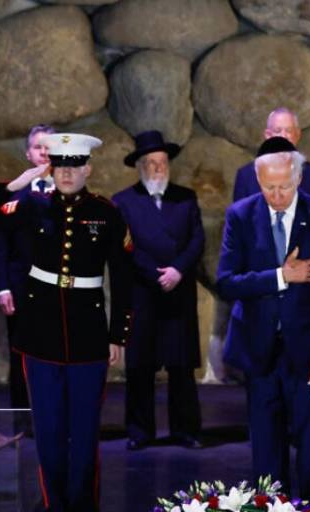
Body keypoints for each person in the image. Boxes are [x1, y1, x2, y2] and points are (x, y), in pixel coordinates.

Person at [0, 133, 133, 512]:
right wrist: (18, 182)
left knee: (83, 434)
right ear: (51, 168)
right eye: (60, 166)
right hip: (39, 335)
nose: (67, 173)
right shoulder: (30, 207)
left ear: (88, 168)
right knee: (50, 432)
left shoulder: (106, 213)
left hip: (88, 337)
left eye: (75, 165)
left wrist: (118, 334)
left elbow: (124, 278)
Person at [217, 136, 310, 508]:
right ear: (258, 182)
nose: (277, 195)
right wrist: (280, 276)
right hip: (259, 353)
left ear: (299, 179)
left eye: (285, 187)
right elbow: (226, 282)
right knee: (266, 454)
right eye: (269, 188)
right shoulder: (241, 216)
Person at [113, 130, 204, 450]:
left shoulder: (186, 197)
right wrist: (155, 273)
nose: (157, 168)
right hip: (143, 293)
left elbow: (197, 240)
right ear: (139, 166)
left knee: (181, 368)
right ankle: (139, 432)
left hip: (178, 293)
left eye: (162, 162)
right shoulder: (123, 202)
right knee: (140, 369)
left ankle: (186, 430)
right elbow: (125, 246)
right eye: (151, 163)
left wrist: (178, 269)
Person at [0, 124, 54, 435]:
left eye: (48, 146)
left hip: (58, 291)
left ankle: (56, 418)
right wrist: (2, 286)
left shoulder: (71, 192)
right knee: (22, 360)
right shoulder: (14, 196)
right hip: (21, 288)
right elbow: (1, 246)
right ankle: (22, 421)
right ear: (28, 154)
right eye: (38, 147)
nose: (43, 152)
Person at [232, 107, 310, 203]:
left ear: (297, 135)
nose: (283, 136)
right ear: (268, 135)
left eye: (288, 131)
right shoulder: (246, 177)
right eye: (277, 131)